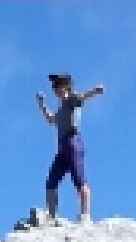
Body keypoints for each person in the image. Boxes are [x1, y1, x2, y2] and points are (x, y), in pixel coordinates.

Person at [34, 73, 105, 222]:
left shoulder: (70, 100)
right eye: (54, 86)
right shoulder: (61, 110)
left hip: (73, 142)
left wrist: (95, 91)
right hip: (62, 148)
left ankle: (85, 214)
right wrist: (42, 104)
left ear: (65, 86)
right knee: (51, 181)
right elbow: (51, 119)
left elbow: (81, 97)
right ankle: (51, 215)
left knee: (79, 179)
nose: (54, 89)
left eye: (57, 85)